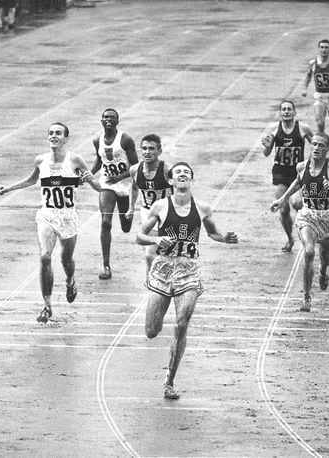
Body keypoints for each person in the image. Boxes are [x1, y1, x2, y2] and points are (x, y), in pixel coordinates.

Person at [138, 162, 238, 400]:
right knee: (152, 331)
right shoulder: (160, 206)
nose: (182, 175)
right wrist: (156, 240)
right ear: (171, 181)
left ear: (191, 180)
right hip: (162, 269)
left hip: (188, 270)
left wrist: (225, 238)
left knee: (182, 324)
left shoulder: (203, 208)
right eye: (177, 173)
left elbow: (212, 232)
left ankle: (169, 381)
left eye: (186, 173)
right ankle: (159, 326)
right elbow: (140, 236)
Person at [0, 122, 100, 323]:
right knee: (45, 257)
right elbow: (31, 180)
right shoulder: (40, 160)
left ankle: (70, 281)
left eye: (58, 133)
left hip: (68, 217)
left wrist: (90, 179)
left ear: (66, 138)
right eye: (51, 133)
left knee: (66, 261)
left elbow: (97, 187)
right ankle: (47, 306)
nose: (54, 136)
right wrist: (8, 188)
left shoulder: (76, 160)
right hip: (47, 216)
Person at [270, 133, 329, 312]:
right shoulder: (302, 166)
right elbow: (297, 183)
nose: (316, 148)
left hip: (327, 217)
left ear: (327, 149)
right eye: (314, 144)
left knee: (325, 257)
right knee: (308, 252)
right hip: (307, 215)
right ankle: (306, 297)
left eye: (321, 145)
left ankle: (323, 271)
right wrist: (282, 199)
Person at [90, 108, 139, 280]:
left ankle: (128, 216)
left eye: (112, 118)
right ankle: (106, 265)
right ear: (101, 121)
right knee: (105, 221)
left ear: (117, 121)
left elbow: (135, 167)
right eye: (105, 117)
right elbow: (99, 159)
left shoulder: (125, 140)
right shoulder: (97, 140)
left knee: (126, 227)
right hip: (107, 185)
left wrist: (118, 177)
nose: (108, 120)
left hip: (125, 185)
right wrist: (89, 173)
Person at [261, 100, 314, 252]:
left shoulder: (303, 128)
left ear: (294, 112)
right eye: (283, 109)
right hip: (280, 173)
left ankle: (305, 236)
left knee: (297, 204)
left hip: (297, 173)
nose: (286, 112)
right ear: (279, 113)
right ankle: (290, 239)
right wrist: (265, 146)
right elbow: (266, 153)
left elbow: (316, 144)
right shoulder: (274, 129)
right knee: (283, 209)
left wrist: (310, 163)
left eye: (289, 109)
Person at [127, 134, 172, 275]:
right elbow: (134, 188)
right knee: (149, 254)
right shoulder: (135, 169)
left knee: (169, 254)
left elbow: (181, 190)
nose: (147, 152)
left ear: (159, 151)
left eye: (151, 148)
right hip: (148, 213)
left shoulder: (167, 170)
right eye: (144, 148)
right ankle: (151, 285)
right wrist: (130, 208)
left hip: (167, 214)